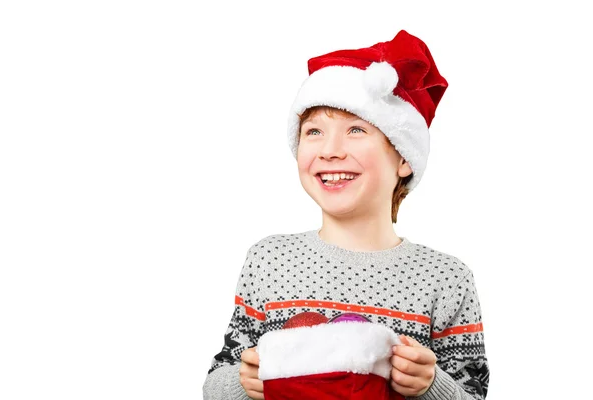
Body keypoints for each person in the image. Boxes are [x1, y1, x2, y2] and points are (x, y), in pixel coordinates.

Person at [202, 30, 489, 400]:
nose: (330, 150)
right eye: (314, 131)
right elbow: (215, 382)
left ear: (404, 157)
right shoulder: (269, 260)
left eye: (356, 129)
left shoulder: (446, 279)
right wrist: (243, 383)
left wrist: (431, 385)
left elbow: (474, 393)